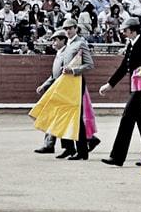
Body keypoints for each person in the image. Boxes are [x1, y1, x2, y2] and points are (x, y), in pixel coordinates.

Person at [36, 19, 98, 159]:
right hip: (64, 85)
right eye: (66, 29)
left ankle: (82, 152)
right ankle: (69, 148)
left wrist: (73, 71)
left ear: (76, 28)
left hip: (75, 85)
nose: (68, 31)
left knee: (76, 118)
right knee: (63, 116)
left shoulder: (80, 43)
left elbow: (89, 65)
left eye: (70, 28)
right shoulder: (68, 45)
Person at [98, 17, 141, 167]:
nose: (123, 32)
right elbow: (124, 66)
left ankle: (117, 156)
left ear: (133, 30)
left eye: (125, 30)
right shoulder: (132, 44)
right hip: (136, 88)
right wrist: (110, 84)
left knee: (127, 119)